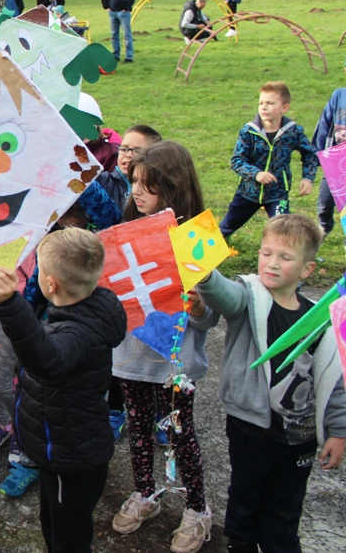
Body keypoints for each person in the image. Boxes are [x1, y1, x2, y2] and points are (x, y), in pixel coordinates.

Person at [194, 214, 346, 553]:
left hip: (300, 438)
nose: (271, 263)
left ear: (307, 270)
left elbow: (332, 379)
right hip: (251, 430)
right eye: (266, 253)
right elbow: (223, 294)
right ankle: (241, 544)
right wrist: (201, 269)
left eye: (285, 257)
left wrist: (337, 431)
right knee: (244, 502)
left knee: (285, 510)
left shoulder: (319, 317)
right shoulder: (249, 298)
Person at [0, 228, 126, 553]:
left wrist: (10, 305)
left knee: (68, 540)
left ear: (50, 285)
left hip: (71, 460)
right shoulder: (88, 309)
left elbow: (47, 359)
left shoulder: (76, 334)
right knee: (54, 525)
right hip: (60, 453)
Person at [110, 141, 214, 553]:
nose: (137, 191)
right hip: (131, 356)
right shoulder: (124, 233)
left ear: (173, 187)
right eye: (134, 181)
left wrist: (200, 306)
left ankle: (197, 508)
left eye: (148, 186)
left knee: (179, 433)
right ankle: (146, 494)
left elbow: (210, 317)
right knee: (136, 427)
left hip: (174, 361)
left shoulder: (197, 237)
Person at [219, 81, 318, 240]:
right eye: (261, 103)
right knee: (226, 227)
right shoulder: (249, 131)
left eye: (270, 103)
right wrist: (256, 174)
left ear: (284, 108)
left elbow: (310, 155)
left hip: (278, 194)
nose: (264, 107)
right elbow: (237, 160)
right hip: (248, 192)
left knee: (282, 232)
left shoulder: (293, 132)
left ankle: (277, 257)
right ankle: (218, 245)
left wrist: (308, 178)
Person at [96, 125, 163, 232]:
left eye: (137, 151)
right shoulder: (102, 181)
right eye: (124, 149)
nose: (128, 155)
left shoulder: (156, 188)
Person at [311, 85, 346, 236]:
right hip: (336, 163)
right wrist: (316, 154)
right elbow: (324, 124)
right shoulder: (339, 95)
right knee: (325, 202)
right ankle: (324, 226)